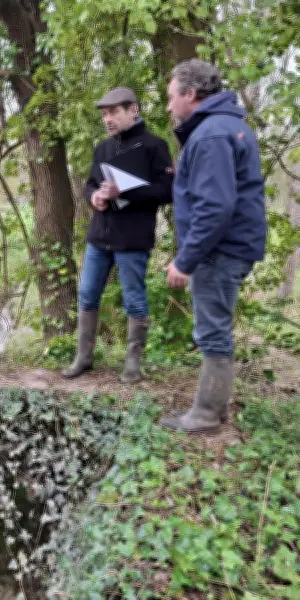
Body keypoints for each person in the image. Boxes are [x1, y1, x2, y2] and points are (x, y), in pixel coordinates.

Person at [160, 60, 266, 433]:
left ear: (191, 94)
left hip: (220, 250)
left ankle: (205, 416)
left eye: (171, 97)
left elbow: (215, 207)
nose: (169, 106)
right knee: (214, 327)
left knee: (212, 331)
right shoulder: (227, 127)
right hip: (231, 245)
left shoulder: (209, 135)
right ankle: (212, 409)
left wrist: (185, 261)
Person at [62, 87, 174, 383]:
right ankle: (83, 358)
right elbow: (89, 183)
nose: (107, 119)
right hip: (99, 236)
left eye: (113, 113)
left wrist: (128, 190)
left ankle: (132, 365)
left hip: (132, 240)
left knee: (134, 301)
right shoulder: (103, 148)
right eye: (104, 114)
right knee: (87, 295)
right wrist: (94, 197)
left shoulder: (155, 146)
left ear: (133, 110)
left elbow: (167, 191)